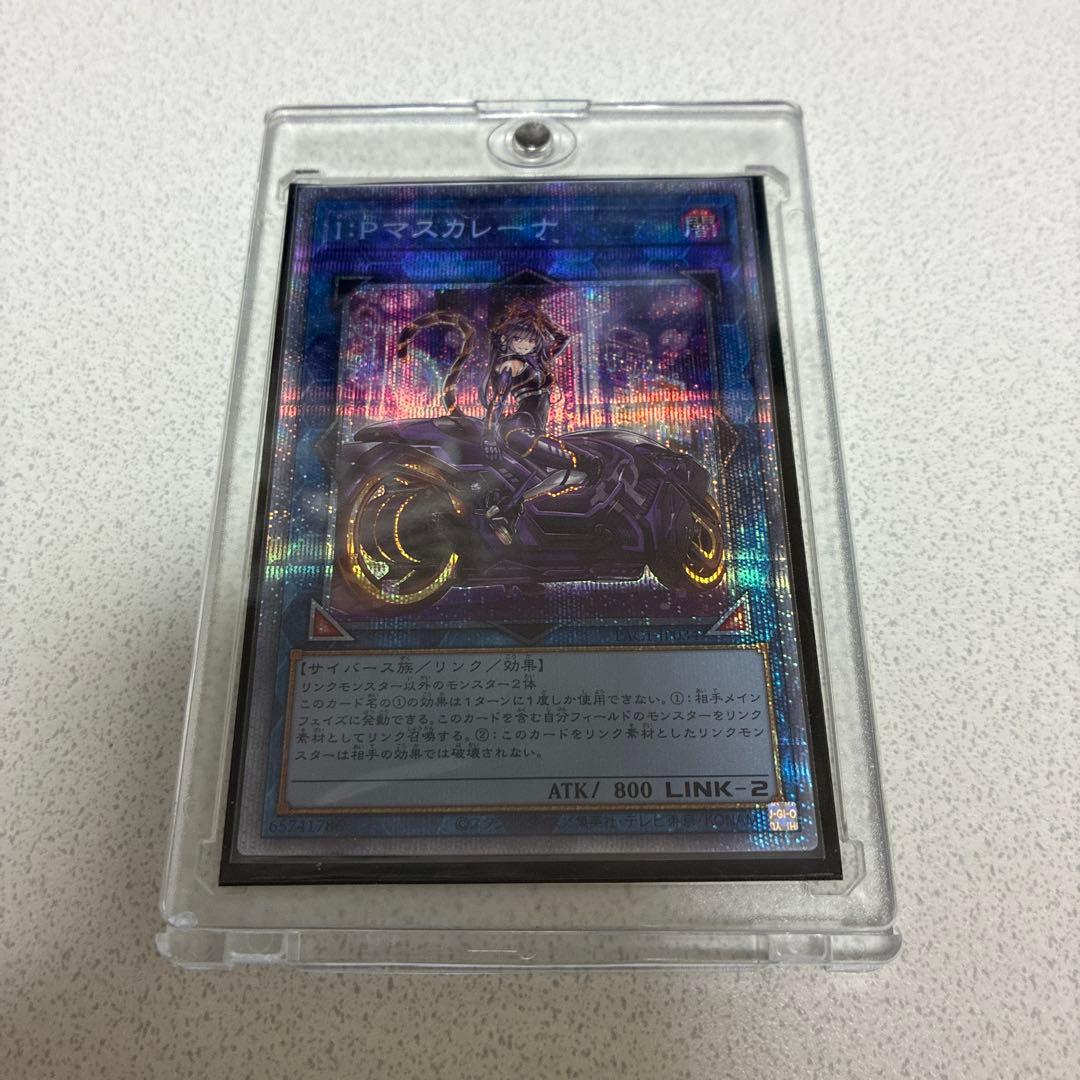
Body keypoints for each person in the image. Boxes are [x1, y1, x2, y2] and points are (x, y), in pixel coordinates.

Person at [480, 300, 602, 545]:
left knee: (574, 473)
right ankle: (504, 511)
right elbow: (497, 401)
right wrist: (489, 436)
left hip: (533, 430)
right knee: (589, 464)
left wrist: (538, 317)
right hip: (519, 431)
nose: (524, 344)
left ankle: (505, 510)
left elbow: (563, 337)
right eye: (518, 339)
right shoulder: (510, 364)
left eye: (530, 340)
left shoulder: (538, 361)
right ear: (506, 340)